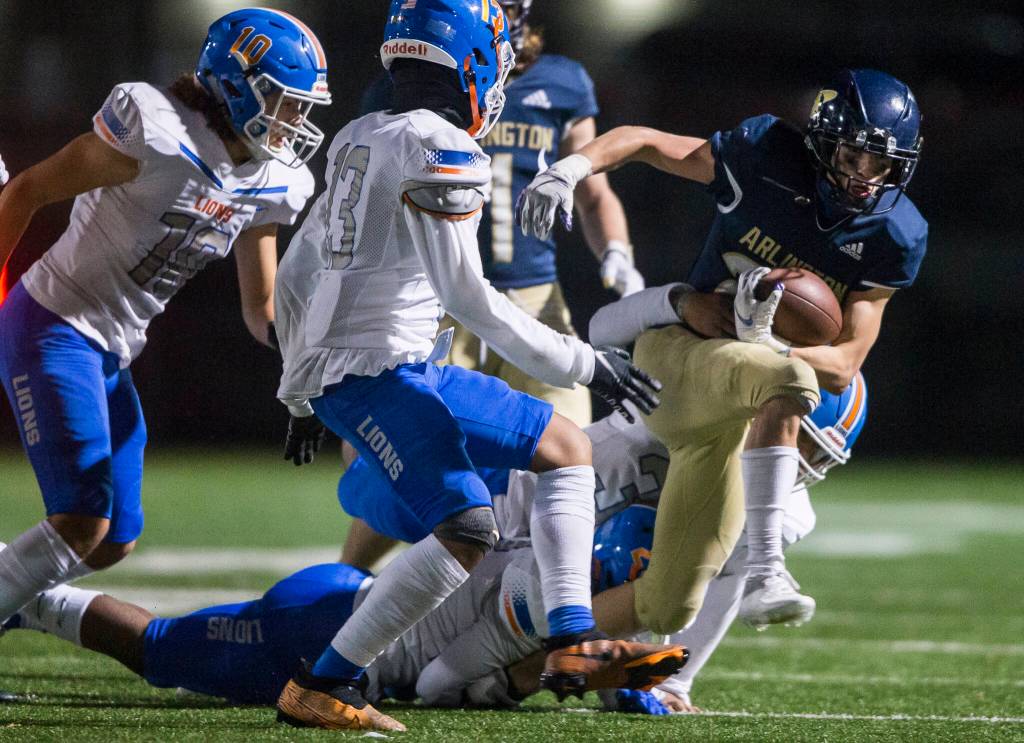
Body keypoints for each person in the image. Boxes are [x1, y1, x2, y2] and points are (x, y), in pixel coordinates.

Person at [272, 0, 671, 731]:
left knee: (565, 447)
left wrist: (295, 392)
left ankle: (569, 636)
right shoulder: (442, 147)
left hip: (396, 366)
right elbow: (472, 300)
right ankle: (324, 683)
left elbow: (298, 270)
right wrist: (587, 362)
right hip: (376, 374)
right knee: (467, 527)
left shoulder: (363, 132)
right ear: (474, 63)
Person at [516, 68, 925, 635]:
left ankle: (653, 664)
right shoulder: (764, 159)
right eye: (855, 157)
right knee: (528, 499)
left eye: (883, 165)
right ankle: (766, 572)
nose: (866, 177)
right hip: (687, 351)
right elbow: (644, 140)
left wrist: (766, 343)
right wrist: (572, 166)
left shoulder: (893, 234)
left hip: (756, 379)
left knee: (714, 557)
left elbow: (846, 363)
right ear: (824, 141)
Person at [0, 9, 330, 631]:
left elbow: (260, 309)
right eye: (286, 103)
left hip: (113, 349)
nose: (296, 122)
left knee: (113, 540)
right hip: (54, 321)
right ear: (236, 85)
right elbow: (25, 192)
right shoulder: (155, 131)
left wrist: (307, 371)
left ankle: (12, 590)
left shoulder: (275, 179)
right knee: (81, 521)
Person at [0, 506, 667, 710]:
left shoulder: (552, 559)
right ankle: (27, 587)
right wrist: (525, 678)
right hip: (321, 634)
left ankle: (22, 603)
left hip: (344, 594)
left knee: (169, 643)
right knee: (158, 647)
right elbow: (437, 683)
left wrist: (627, 684)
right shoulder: (545, 595)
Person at [360, 0, 642, 429]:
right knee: (414, 443)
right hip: (437, 301)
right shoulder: (411, 85)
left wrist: (617, 251)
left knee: (570, 442)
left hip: (533, 295)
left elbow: (593, 193)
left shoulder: (561, 81)